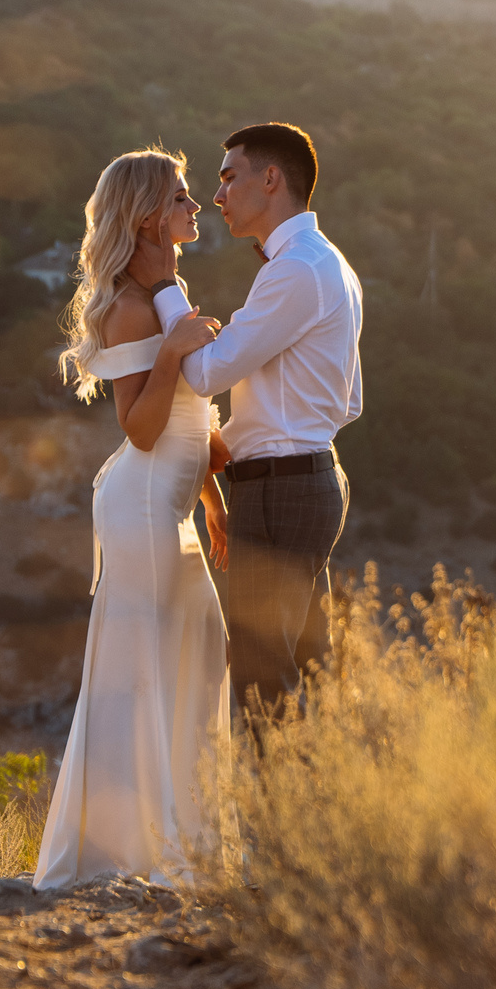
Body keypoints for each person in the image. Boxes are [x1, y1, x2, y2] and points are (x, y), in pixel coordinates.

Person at [33, 150, 231, 890]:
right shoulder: (129, 307)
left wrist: (213, 498)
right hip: (141, 502)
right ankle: (131, 852)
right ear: (149, 215)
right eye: (182, 197)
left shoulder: (168, 291)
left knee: (199, 651)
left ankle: (177, 836)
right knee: (143, 668)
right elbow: (141, 428)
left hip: (172, 505)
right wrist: (175, 355)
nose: (196, 206)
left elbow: (188, 420)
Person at [134, 122, 363, 719]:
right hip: (308, 480)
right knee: (306, 669)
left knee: (262, 683)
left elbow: (205, 373)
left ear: (271, 179)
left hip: (281, 491)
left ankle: (283, 810)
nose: (216, 197)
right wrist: (233, 441)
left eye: (228, 178)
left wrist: (164, 285)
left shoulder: (296, 271)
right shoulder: (329, 263)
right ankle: (317, 807)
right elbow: (349, 401)